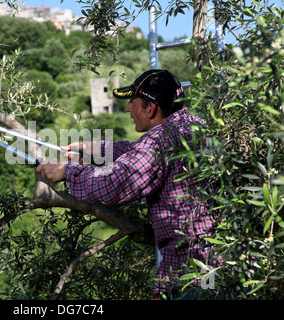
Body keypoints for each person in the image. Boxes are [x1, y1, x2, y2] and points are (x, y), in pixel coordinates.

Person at [36, 69, 219, 298]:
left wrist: (67, 171)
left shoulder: (160, 140)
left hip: (192, 279)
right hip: (223, 266)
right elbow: (135, 152)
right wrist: (88, 148)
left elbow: (115, 183)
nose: (128, 109)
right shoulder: (196, 127)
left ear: (150, 108)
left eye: (133, 102)